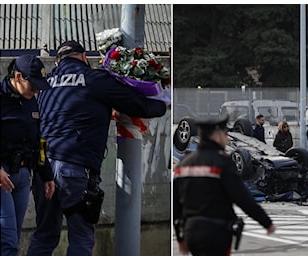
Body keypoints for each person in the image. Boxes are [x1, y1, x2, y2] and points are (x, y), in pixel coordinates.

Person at [26, 40, 167, 256]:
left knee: (45, 235)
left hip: (43, 166)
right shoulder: (95, 79)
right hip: (75, 168)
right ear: (84, 57)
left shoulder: (43, 85)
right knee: (81, 236)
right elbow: (139, 106)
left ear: (57, 61)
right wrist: (163, 102)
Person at [173, 116, 275, 256]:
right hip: (216, 232)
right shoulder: (222, 163)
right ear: (216, 135)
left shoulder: (183, 165)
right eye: (224, 134)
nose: (227, 139)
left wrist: (180, 238)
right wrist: (266, 222)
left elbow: (176, 207)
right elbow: (243, 198)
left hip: (192, 232)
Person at [0, 55, 55, 256]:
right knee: (7, 242)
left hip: (22, 177)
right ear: (18, 76)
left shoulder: (30, 101)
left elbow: (37, 141)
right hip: (1, 177)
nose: (36, 91)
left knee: (13, 235)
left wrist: (47, 174)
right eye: (33, 85)